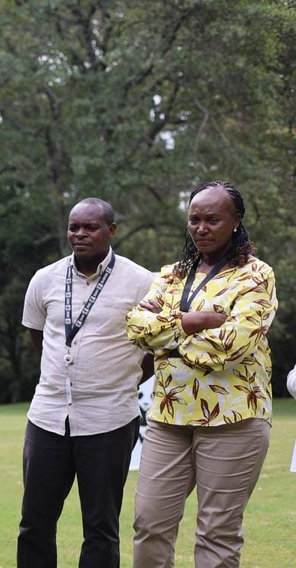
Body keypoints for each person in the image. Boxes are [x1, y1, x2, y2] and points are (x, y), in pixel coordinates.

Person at [126, 181, 275, 568]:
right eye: (195, 219)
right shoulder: (172, 276)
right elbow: (137, 327)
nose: (201, 228)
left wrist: (170, 340)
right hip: (168, 418)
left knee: (216, 533)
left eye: (212, 219)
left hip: (233, 419)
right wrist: (196, 322)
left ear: (236, 221)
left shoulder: (256, 277)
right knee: (149, 523)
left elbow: (231, 345)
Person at [17, 198, 155, 567]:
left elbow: (155, 350)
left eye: (90, 227)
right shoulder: (44, 278)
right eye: (73, 227)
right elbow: (38, 336)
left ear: (111, 231)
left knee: (100, 528)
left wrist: (116, 378)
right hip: (47, 417)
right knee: (35, 523)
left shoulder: (143, 282)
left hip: (109, 419)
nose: (79, 234)